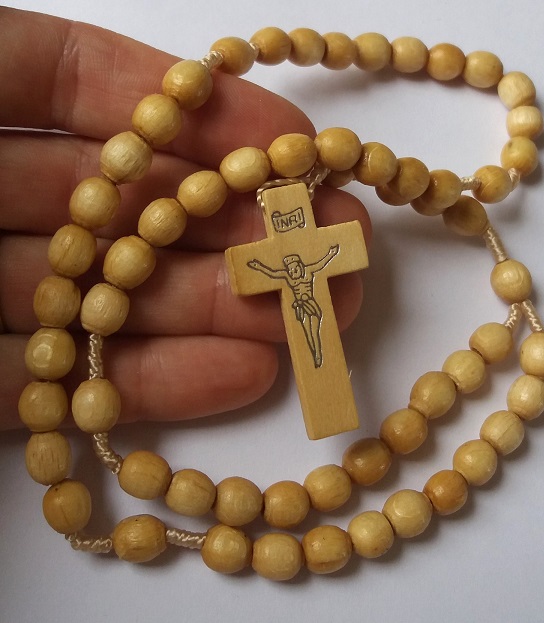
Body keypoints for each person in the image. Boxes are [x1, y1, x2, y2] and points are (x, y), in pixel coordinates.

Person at [0, 7, 370, 430]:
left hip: (308, 300)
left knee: (314, 337)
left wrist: (327, 249)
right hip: (303, 299)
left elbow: (320, 257)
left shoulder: (300, 262)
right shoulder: (287, 266)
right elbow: (275, 266)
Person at [248, 245, 339, 367]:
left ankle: (318, 354)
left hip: (311, 305)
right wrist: (259, 267)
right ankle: (315, 355)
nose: (292, 272)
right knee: (307, 333)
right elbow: (273, 273)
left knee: (315, 332)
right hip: (300, 308)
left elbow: (320, 264)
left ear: (300, 266)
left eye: (295, 269)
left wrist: (331, 254)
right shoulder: (288, 277)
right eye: (290, 270)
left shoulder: (308, 271)